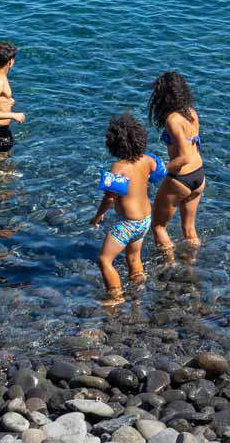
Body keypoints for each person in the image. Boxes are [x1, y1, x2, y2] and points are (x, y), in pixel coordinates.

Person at [89, 112, 158, 298]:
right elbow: (158, 173)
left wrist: (97, 216)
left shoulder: (118, 168)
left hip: (128, 224)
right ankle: (139, 293)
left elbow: (110, 198)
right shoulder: (147, 160)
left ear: (112, 143)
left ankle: (116, 297)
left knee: (104, 260)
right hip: (145, 220)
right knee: (134, 257)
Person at [148, 71, 205, 251]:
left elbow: (183, 157)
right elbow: (193, 147)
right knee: (189, 229)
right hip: (199, 176)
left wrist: (161, 169)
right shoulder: (192, 113)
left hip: (181, 178)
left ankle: (169, 266)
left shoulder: (172, 120)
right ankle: (191, 264)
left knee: (158, 226)